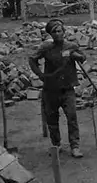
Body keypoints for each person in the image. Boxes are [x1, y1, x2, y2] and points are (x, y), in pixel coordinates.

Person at [30, 19, 85, 158]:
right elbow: (32, 59)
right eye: (54, 32)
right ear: (50, 34)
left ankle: (75, 146)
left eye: (59, 31)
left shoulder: (71, 46)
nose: (57, 34)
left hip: (67, 89)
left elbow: (83, 57)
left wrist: (76, 56)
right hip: (50, 89)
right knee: (52, 118)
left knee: (72, 117)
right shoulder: (46, 48)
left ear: (64, 32)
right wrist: (40, 75)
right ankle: (56, 144)